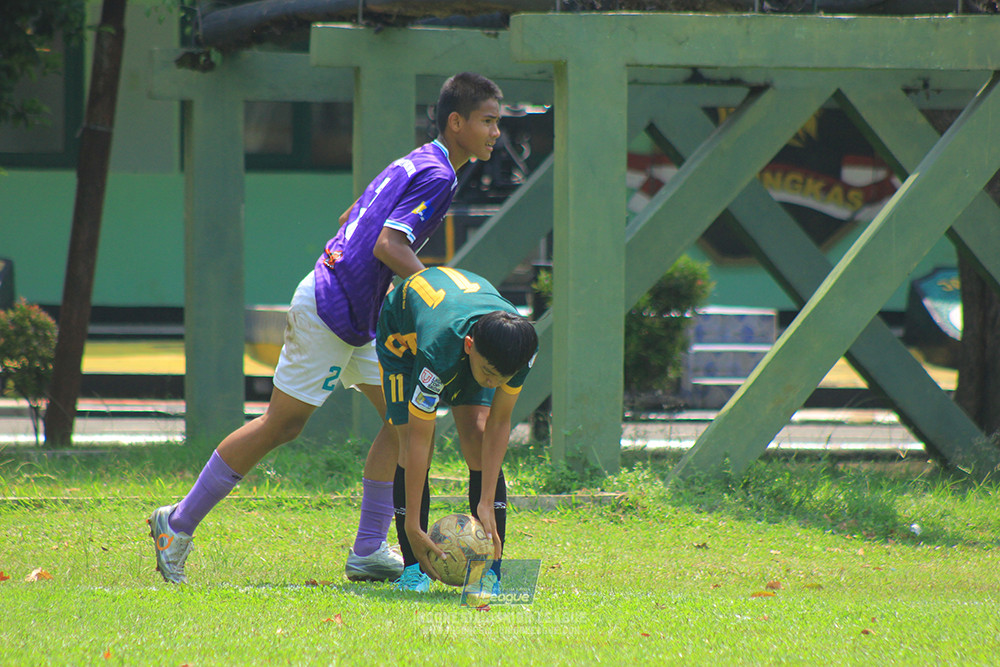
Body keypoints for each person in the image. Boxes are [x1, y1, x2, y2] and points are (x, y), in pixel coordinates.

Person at [148, 72, 504, 584]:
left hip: (362, 315)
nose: (496, 133)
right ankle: (176, 524)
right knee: (282, 425)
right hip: (329, 310)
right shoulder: (441, 175)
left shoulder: (418, 159)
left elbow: (351, 215)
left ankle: (366, 551)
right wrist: (433, 290)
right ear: (457, 122)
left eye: (497, 123)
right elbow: (387, 245)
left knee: (399, 421)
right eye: (488, 121)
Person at [374, 266, 538, 593]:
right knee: (408, 440)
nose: (493, 383)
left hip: (460, 331)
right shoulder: (438, 352)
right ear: (469, 346)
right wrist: (411, 526)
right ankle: (413, 569)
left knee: (476, 436)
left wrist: (486, 501)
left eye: (501, 378)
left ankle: (489, 574)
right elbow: (420, 441)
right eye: (488, 372)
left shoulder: (519, 351)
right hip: (403, 341)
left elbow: (499, 422)